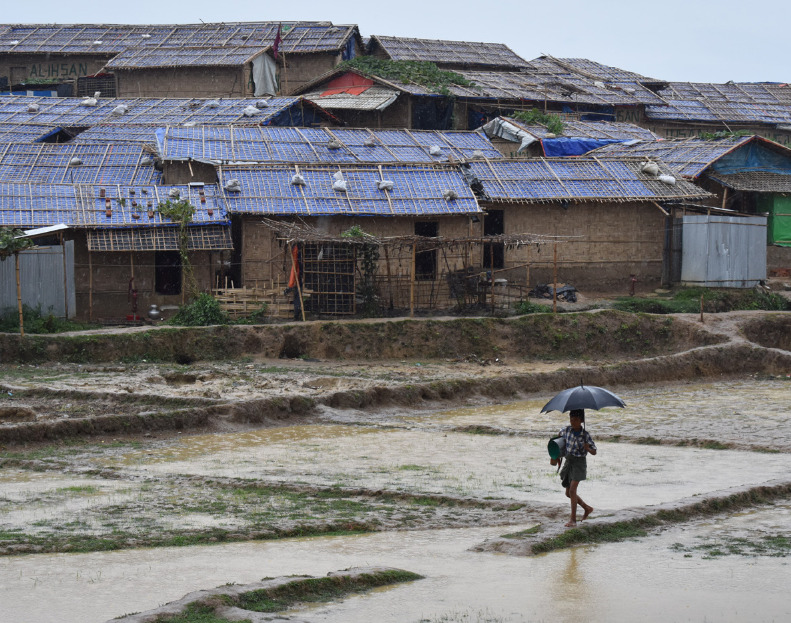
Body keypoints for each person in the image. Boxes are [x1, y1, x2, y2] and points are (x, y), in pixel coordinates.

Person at [553, 408, 597, 527]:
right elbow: (558, 438)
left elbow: (594, 451)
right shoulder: (566, 430)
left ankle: (573, 520)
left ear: (581, 420)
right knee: (568, 493)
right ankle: (586, 508)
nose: (573, 421)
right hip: (569, 461)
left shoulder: (585, 435)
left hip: (579, 463)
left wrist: (587, 448)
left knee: (572, 490)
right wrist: (557, 453)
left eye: (576, 419)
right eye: (571, 419)